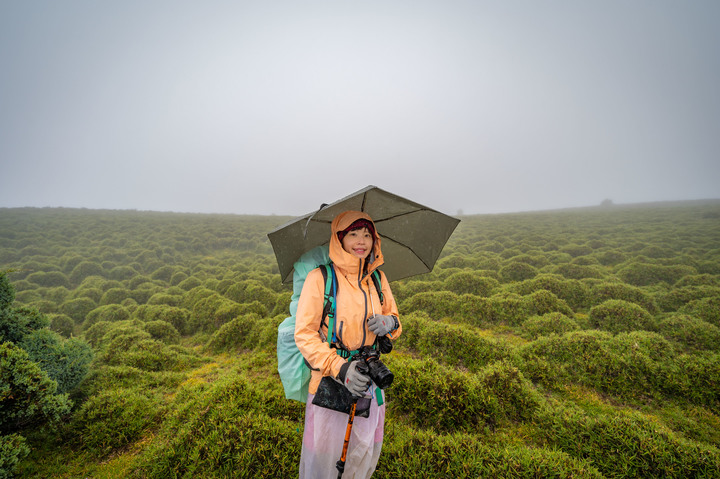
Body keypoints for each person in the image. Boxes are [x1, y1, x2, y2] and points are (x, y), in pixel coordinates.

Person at [295, 210, 401, 479]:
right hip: (331, 382)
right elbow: (305, 335)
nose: (361, 240)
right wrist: (341, 368)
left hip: (369, 379)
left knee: (363, 452)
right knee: (325, 460)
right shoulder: (320, 278)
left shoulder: (378, 278)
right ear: (339, 239)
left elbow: (396, 319)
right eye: (353, 233)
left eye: (367, 234)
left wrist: (390, 324)